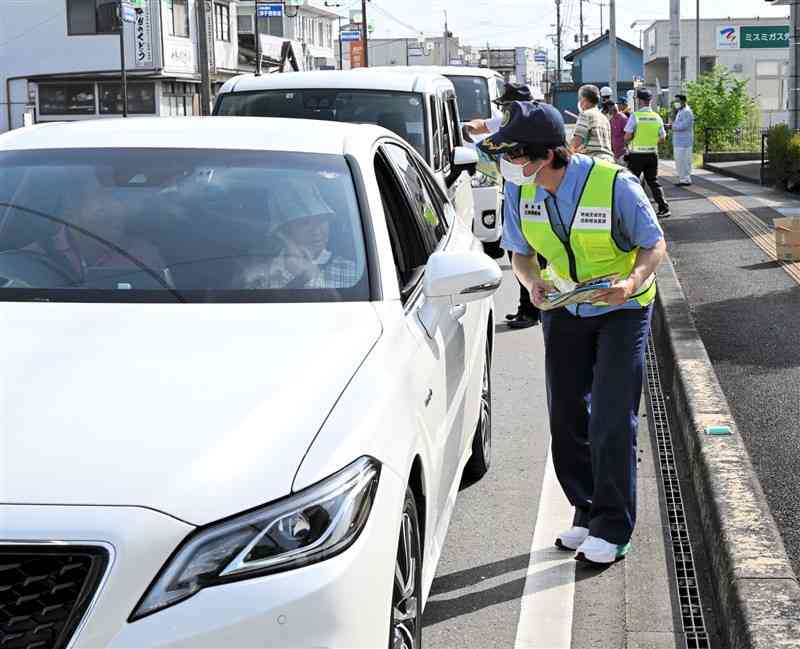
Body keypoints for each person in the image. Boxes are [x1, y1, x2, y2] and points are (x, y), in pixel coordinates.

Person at [479, 100, 667, 565]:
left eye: (514, 155)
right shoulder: (520, 192)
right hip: (564, 309)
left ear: (547, 154)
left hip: (621, 310)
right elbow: (519, 254)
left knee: (609, 414)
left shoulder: (612, 184)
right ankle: (586, 509)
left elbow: (653, 243)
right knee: (566, 415)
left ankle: (613, 525)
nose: (507, 164)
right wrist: (530, 282)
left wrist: (630, 284)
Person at [465, 82, 541, 329]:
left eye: (506, 105)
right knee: (529, 252)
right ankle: (533, 307)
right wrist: (470, 127)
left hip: (526, 193)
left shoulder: (517, 125)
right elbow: (482, 126)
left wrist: (498, 160)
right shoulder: (522, 120)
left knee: (523, 251)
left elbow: (486, 147)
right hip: (528, 192)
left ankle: (532, 310)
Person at [245, 179, 358, 290]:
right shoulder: (261, 275)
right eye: (305, 222)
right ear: (284, 230)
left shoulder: (349, 271)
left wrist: (309, 275)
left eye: (322, 219)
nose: (317, 230)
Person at [624, 88, 671, 218]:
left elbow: (627, 136)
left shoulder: (635, 116)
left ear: (639, 100)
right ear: (650, 101)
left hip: (637, 155)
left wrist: (632, 139)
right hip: (652, 154)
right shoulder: (656, 117)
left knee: (632, 181)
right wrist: (651, 142)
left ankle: (631, 208)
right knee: (653, 181)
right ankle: (664, 207)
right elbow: (663, 137)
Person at [570, 85, 615, 162]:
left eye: (579, 98)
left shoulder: (586, 115)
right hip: (608, 161)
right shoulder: (604, 118)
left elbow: (576, 141)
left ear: (584, 99)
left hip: (594, 161)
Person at [668, 93, 695, 186]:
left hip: (684, 142)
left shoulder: (687, 112)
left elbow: (683, 126)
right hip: (679, 141)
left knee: (684, 161)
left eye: (677, 101)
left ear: (683, 101)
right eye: (675, 101)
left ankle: (685, 179)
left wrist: (671, 126)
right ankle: (683, 179)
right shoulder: (680, 111)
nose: (676, 103)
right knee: (679, 160)